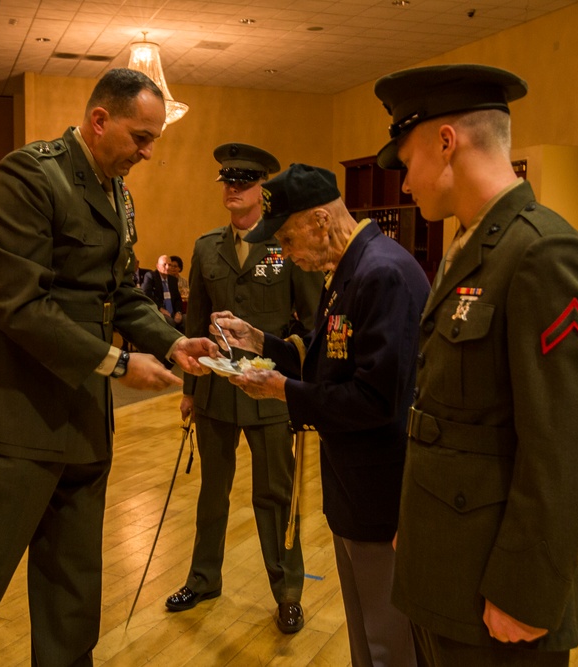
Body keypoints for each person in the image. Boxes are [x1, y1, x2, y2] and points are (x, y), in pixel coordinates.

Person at [0, 68, 218, 666]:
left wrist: (173, 342)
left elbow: (120, 293)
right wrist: (119, 362)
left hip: (82, 417)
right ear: (99, 121)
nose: (148, 153)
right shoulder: (29, 174)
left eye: (154, 140)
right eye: (141, 137)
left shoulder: (116, 190)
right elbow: (22, 305)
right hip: (20, 414)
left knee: (73, 581)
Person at [372, 64, 578, 665]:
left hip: (496, 593)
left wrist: (525, 592)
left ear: (446, 142)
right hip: (450, 560)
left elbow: (567, 445)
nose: (405, 185)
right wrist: (418, 521)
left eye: (406, 162)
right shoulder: (471, 243)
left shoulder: (542, 252)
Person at [216, 162, 426, 666]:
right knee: (365, 637)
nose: (285, 255)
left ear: (320, 222)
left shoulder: (383, 274)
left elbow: (376, 401)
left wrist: (284, 391)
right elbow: (329, 357)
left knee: (389, 642)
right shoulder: (351, 268)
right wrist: (260, 341)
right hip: (352, 488)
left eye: (287, 240)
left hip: (382, 493)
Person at [165, 144, 323, 636]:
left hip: (270, 389)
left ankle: (288, 590)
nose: (232, 190)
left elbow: (314, 321)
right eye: (227, 182)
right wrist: (189, 389)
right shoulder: (206, 245)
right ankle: (203, 578)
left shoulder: (285, 246)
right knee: (212, 493)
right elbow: (193, 322)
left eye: (243, 182)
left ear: (262, 190)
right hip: (215, 390)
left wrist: (302, 387)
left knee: (275, 494)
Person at [141, 253, 185, 329]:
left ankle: (185, 341)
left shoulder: (173, 280)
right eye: (164, 264)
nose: (167, 267)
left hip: (173, 313)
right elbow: (147, 295)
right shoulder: (151, 276)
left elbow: (178, 299)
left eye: (170, 265)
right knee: (169, 321)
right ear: (157, 266)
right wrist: (160, 308)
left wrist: (178, 312)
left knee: (187, 320)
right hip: (158, 312)